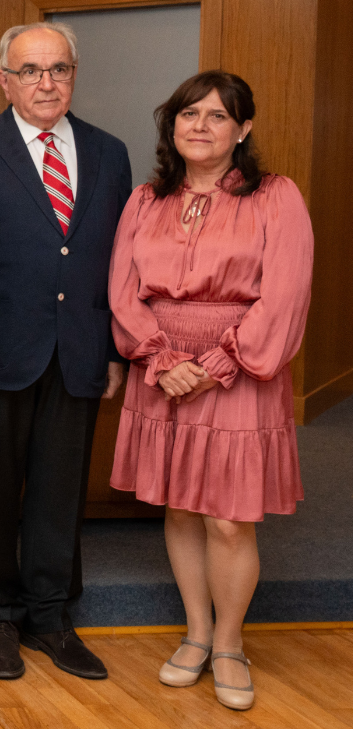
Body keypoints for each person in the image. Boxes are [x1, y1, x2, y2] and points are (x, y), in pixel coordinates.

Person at [108, 70, 312, 712]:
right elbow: (121, 287)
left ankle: (229, 642)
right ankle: (195, 634)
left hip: (240, 373)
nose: (200, 126)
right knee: (180, 509)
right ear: (172, 125)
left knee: (228, 520)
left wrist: (219, 364)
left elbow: (285, 295)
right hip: (160, 372)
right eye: (188, 114)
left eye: (217, 116)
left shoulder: (276, 197)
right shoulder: (145, 200)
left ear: (243, 129)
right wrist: (161, 359)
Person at [0, 22, 133, 682]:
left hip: (81, 350)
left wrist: (115, 347)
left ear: (73, 76)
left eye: (57, 69)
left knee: (59, 491)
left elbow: (120, 261)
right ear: (4, 79)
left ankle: (52, 618)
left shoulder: (110, 152)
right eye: (30, 70)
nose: (46, 82)